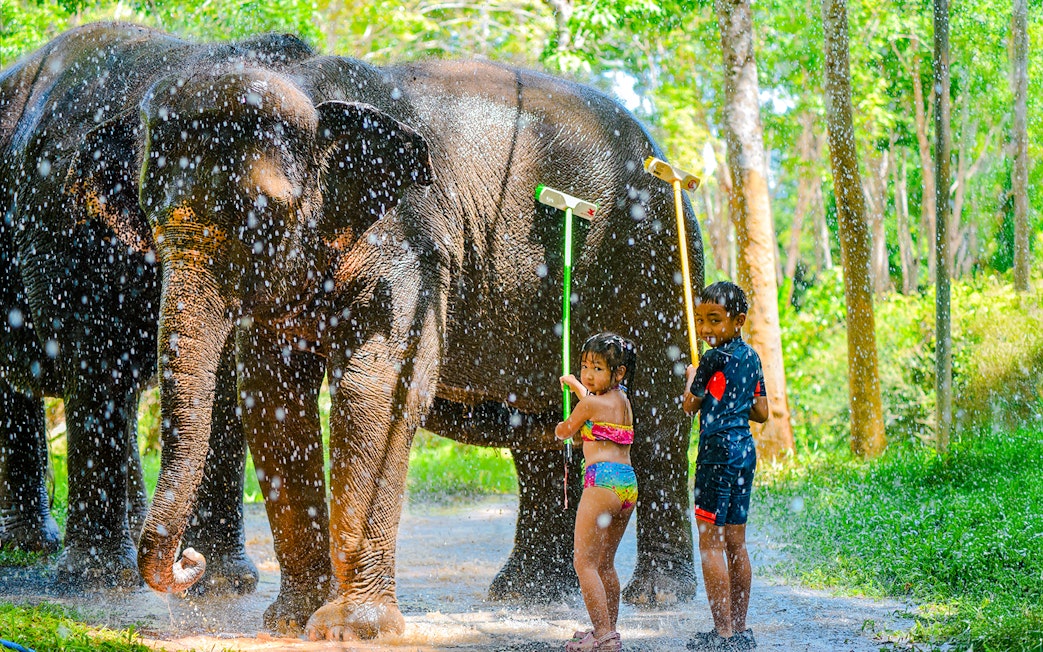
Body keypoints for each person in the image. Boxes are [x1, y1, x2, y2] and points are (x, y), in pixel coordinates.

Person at [682, 281, 769, 652]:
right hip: (744, 452)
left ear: (739, 321)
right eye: (700, 320)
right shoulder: (751, 358)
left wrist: (692, 378)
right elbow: (761, 412)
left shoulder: (712, 359)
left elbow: (690, 405)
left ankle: (722, 635)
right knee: (736, 542)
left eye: (714, 320)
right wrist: (732, 400)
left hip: (716, 453)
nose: (704, 330)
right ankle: (740, 629)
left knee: (710, 543)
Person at [555, 332, 638, 652]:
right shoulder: (623, 400)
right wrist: (576, 385)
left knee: (584, 564)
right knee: (605, 564)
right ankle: (607, 628)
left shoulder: (590, 403)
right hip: (627, 485)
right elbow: (593, 401)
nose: (589, 374)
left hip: (601, 483)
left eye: (598, 368)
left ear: (618, 373)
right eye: (585, 366)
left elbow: (566, 430)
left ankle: (604, 637)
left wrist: (562, 428)